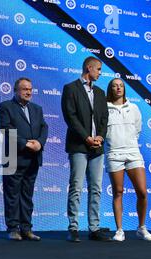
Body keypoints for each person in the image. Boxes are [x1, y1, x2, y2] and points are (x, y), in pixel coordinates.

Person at [61, 56, 110, 242]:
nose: (100, 73)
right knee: (76, 186)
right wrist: (86, 138)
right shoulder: (71, 88)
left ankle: (94, 228)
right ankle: (73, 227)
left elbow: (105, 118)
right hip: (79, 145)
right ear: (89, 68)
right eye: (98, 69)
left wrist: (100, 137)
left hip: (97, 148)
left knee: (96, 188)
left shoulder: (99, 92)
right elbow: (70, 117)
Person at [0, 77, 48, 241]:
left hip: (33, 157)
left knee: (27, 195)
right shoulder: (5, 107)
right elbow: (6, 128)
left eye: (30, 89)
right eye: (25, 89)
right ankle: (13, 228)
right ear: (16, 90)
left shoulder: (37, 109)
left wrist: (39, 143)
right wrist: (26, 144)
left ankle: (26, 229)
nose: (28, 92)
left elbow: (43, 128)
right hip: (12, 156)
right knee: (12, 195)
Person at [105, 78, 151, 241]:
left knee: (142, 192)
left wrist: (130, 143)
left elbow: (138, 130)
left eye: (121, 86)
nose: (118, 88)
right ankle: (119, 230)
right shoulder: (104, 108)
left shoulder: (133, 108)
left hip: (133, 153)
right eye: (114, 86)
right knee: (118, 192)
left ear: (124, 89)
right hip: (114, 154)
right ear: (110, 89)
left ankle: (141, 228)